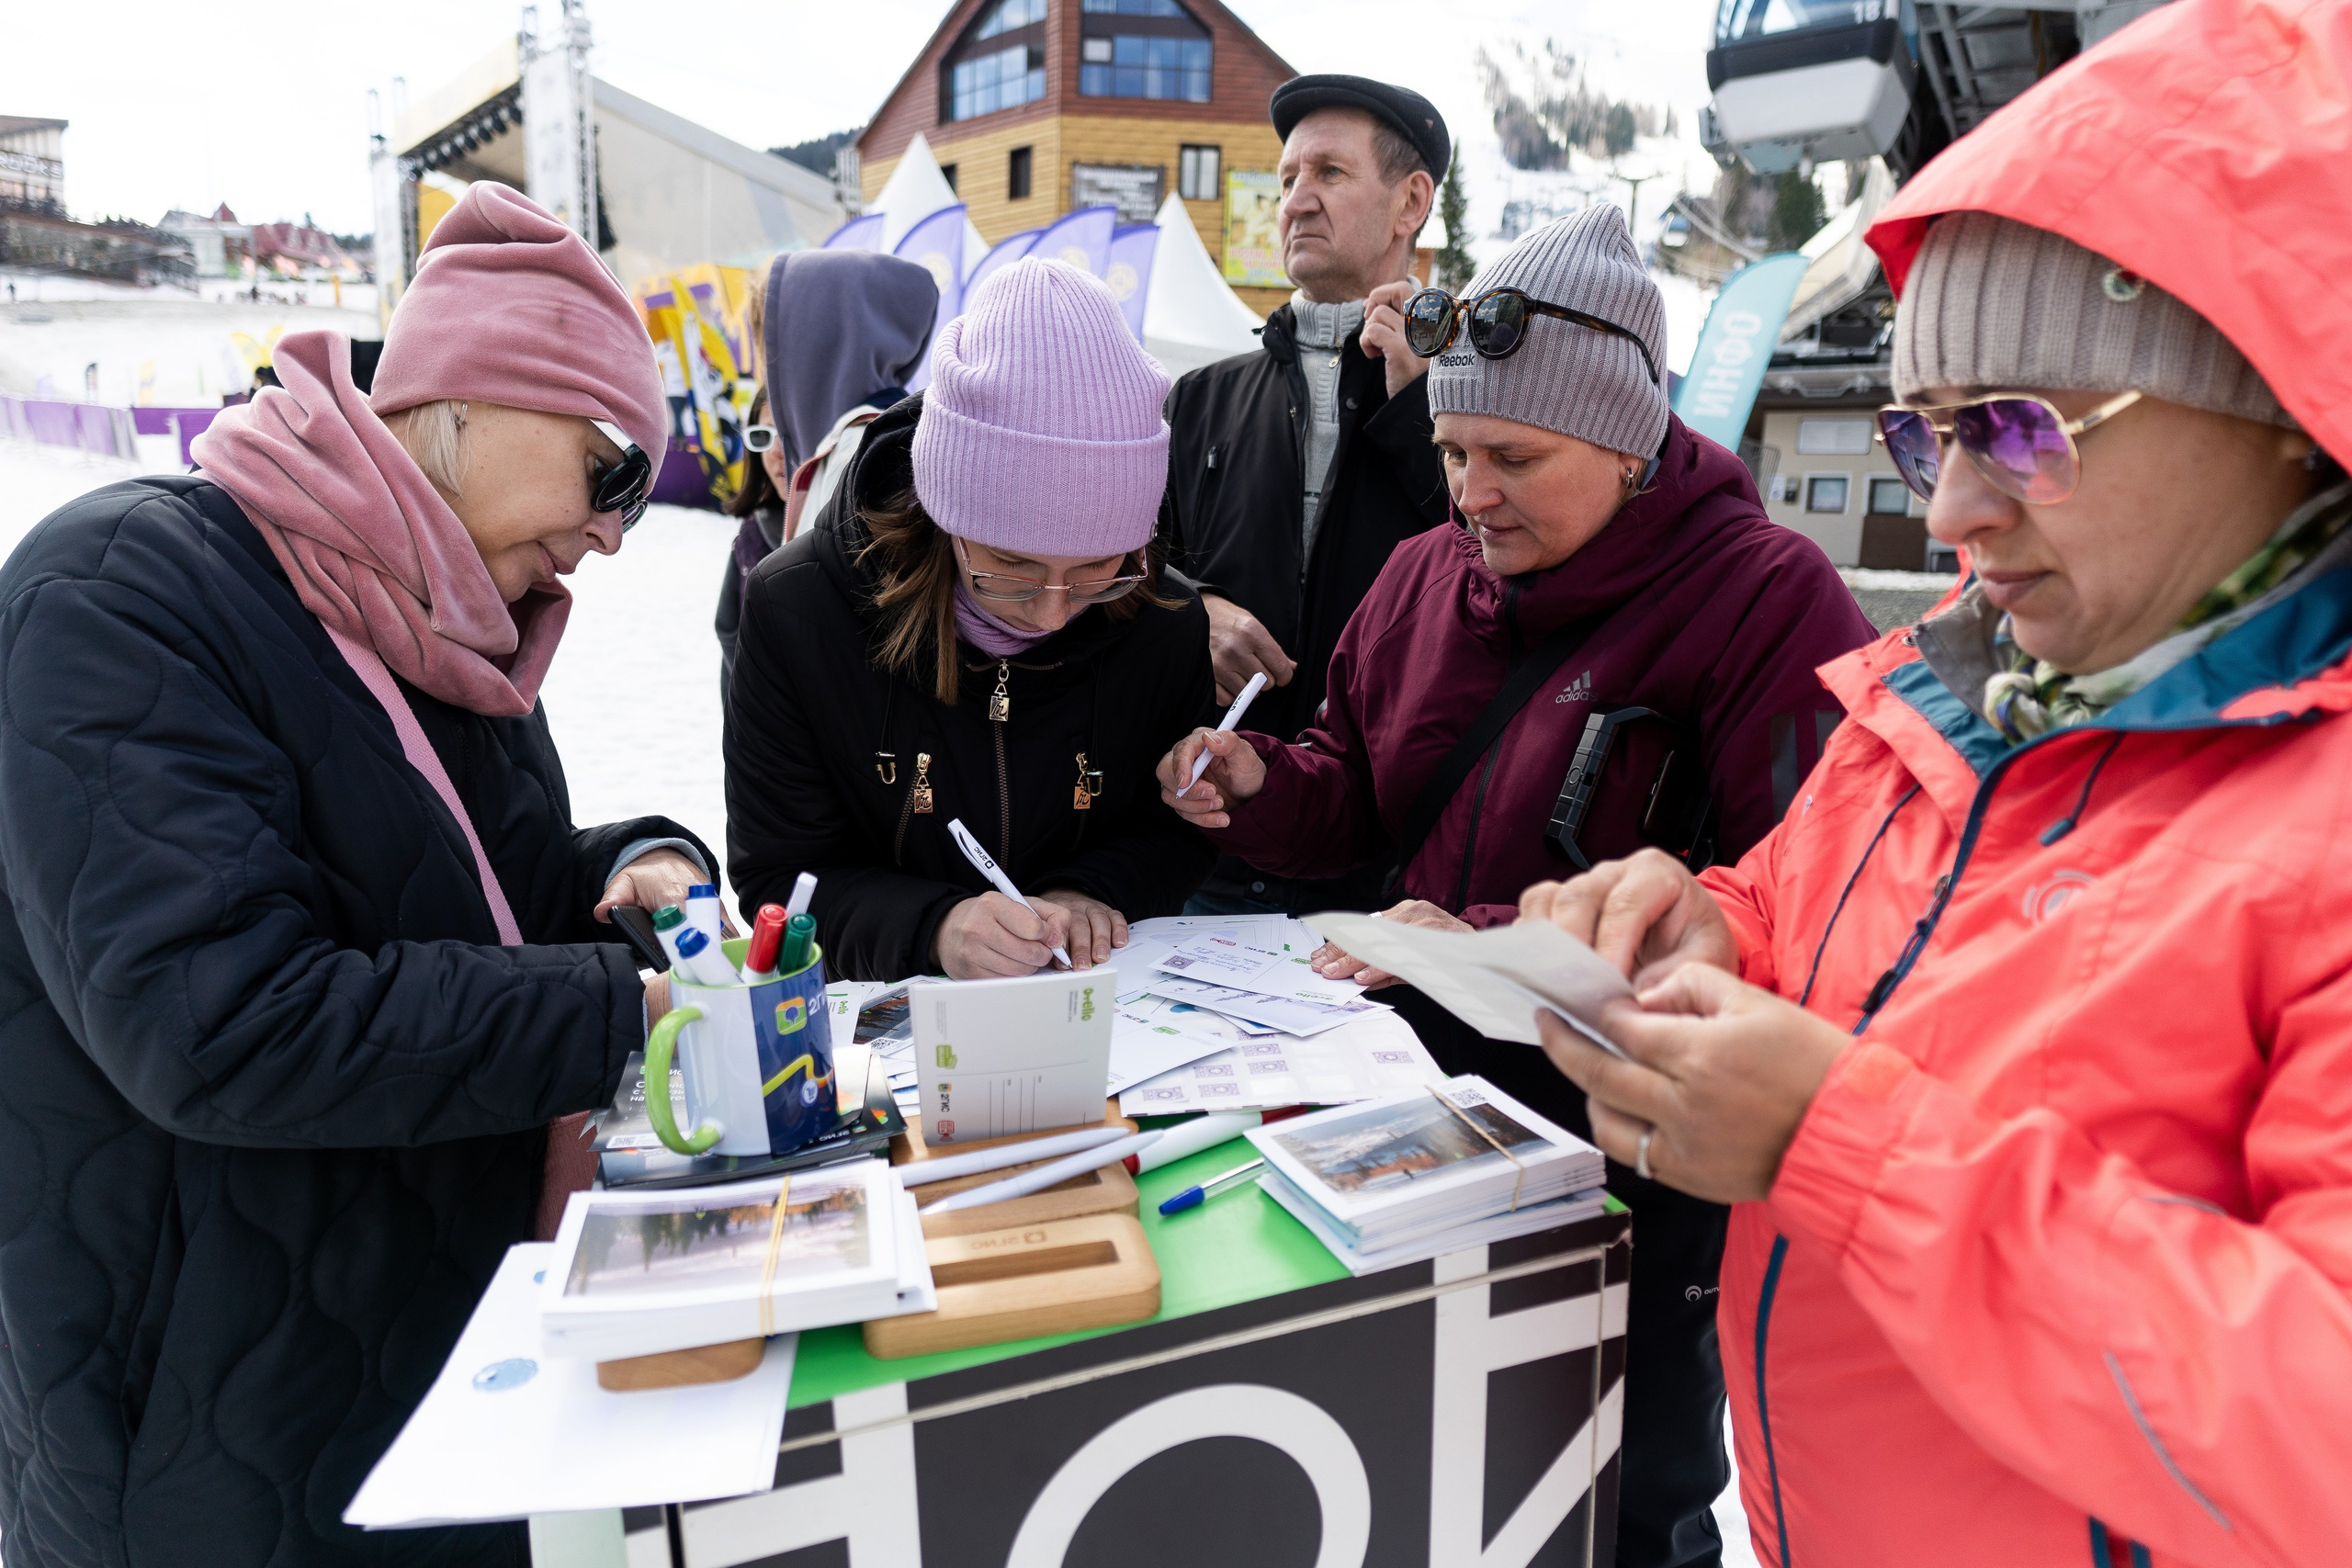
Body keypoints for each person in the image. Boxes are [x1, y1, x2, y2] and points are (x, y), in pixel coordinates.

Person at [1518, 5, 2352, 1562]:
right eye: (1923, 435)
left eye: (2022, 427)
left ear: (2276, 416)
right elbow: (1824, 917)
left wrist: (1833, 1142)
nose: (1956, 510)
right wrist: (1704, 925)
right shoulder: (1949, 684)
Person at [0, 182, 712, 1566]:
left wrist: (634, 865)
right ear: (483, 397)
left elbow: (460, 890)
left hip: (421, 1370)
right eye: (610, 464)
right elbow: (225, 1018)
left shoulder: (452, 611)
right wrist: (621, 1006)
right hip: (220, 1431)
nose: (618, 528)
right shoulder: (119, 597)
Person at [1159, 207, 1877, 1568]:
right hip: (1409, 1113)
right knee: (1424, 1468)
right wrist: (1259, 783)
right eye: (1450, 451)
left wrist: (1476, 937)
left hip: (1630, 1155)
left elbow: (1806, 900)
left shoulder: (1766, 597)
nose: (1470, 492)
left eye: (1513, 456)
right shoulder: (1423, 576)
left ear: (1629, 438)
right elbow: (1350, 790)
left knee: (1623, 1492)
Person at [728, 258, 1214, 981]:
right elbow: (780, 877)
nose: (1053, 609)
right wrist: (933, 926)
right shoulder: (799, 610)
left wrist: (1093, 890)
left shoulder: (1160, 613)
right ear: (945, 512)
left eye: (1093, 568)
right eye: (1009, 564)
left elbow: (1172, 827)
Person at [1159, 74, 1453, 916]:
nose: (1296, 201)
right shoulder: (1201, 397)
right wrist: (1195, 614)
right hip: (1206, 855)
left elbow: (1496, 579)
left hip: (1391, 874)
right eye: (1287, 179)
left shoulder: (1467, 401)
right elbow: (1120, 573)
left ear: (1410, 202)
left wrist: (1419, 414)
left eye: (1328, 173)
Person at [716, 249, 936, 701]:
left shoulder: (861, 457)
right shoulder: (872, 441)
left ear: (818, 344)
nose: (770, 374)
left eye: (773, 348)